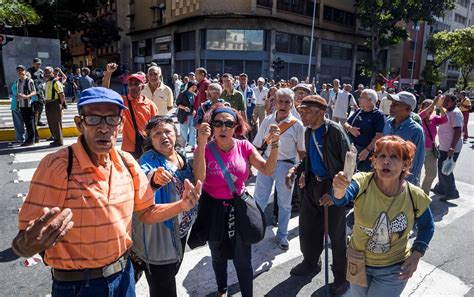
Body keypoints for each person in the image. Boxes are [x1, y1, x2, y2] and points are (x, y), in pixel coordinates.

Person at [11, 87, 201, 296]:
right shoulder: (57, 166)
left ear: (120, 125)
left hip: (123, 278)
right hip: (78, 286)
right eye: (93, 118)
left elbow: (146, 212)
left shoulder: (127, 163)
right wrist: (29, 244)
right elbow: (25, 242)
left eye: (111, 119)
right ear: (79, 123)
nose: (103, 128)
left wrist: (182, 205)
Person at [191, 104, 280, 297]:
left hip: (238, 207)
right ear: (211, 126)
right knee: (218, 255)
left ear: (236, 127)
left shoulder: (244, 146)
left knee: (242, 259)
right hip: (213, 209)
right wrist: (202, 143)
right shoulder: (204, 148)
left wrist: (275, 145)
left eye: (229, 123)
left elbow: (267, 169)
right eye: (218, 123)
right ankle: (222, 291)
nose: (223, 128)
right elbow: (199, 178)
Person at [331, 135, 435, 296]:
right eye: (382, 156)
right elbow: (342, 198)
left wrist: (416, 255)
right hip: (357, 261)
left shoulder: (415, 196)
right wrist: (339, 188)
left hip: (394, 269)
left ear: (405, 164)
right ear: (374, 161)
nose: (386, 161)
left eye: (394, 156)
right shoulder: (362, 182)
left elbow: (427, 226)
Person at [132, 116, 204, 297]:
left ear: (175, 134)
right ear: (150, 139)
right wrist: (155, 179)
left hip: (179, 232)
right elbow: (144, 176)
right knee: (164, 288)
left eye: (167, 131)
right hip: (159, 237)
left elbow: (197, 178)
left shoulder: (180, 155)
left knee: (170, 273)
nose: (163, 136)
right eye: (157, 134)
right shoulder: (150, 158)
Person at [286, 95, 350, 295]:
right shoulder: (307, 131)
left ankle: (341, 277)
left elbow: (349, 167)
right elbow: (310, 159)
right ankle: (311, 263)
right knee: (307, 228)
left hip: (333, 189)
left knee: (337, 236)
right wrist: (299, 171)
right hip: (313, 187)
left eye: (306, 112)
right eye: (301, 111)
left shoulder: (335, 132)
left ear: (321, 113)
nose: (302, 115)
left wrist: (334, 194)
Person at [253, 88, 305, 250]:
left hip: (286, 165)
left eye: (287, 102)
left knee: (284, 204)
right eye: (280, 101)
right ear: (274, 102)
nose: (283, 105)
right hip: (267, 162)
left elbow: (302, 152)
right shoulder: (267, 121)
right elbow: (257, 146)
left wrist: (299, 171)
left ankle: (282, 235)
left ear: (292, 104)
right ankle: (255, 231)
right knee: (259, 200)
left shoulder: (297, 126)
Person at [102, 63, 159, 159]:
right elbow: (104, 93)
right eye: (130, 84)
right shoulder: (123, 102)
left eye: (136, 84)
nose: (133, 87)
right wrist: (108, 74)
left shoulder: (150, 105)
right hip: (128, 150)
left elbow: (156, 128)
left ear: (142, 87)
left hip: (147, 148)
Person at [383, 91, 425, 186]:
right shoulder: (388, 123)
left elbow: (417, 161)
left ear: (408, 109)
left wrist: (406, 184)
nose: (391, 106)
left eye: (396, 104)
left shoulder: (416, 130)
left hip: (402, 182)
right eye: (392, 103)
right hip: (384, 177)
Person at [344, 89, 386, 172]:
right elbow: (345, 123)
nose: (359, 99)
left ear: (370, 100)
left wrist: (367, 150)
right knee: (347, 174)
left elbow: (379, 136)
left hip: (365, 153)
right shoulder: (359, 111)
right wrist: (350, 128)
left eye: (361, 97)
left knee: (360, 178)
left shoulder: (379, 115)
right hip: (351, 149)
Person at [432, 94, 464, 201]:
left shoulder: (455, 113)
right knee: (441, 167)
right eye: (445, 101)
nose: (446, 103)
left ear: (454, 102)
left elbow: (458, 130)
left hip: (451, 148)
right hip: (444, 146)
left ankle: (452, 192)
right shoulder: (447, 111)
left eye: (448, 101)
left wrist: (452, 147)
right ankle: (441, 188)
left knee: (445, 170)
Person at [419, 96, 448, 195]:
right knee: (415, 174)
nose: (431, 109)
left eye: (432, 108)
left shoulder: (434, 119)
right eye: (427, 107)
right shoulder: (418, 118)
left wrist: (439, 106)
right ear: (422, 107)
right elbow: (421, 115)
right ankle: (413, 194)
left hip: (431, 150)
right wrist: (433, 103)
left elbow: (445, 119)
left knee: (431, 174)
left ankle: (424, 194)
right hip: (418, 150)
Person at [15, 65, 38, 146]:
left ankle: (31, 140)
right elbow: (18, 94)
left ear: (25, 71)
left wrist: (26, 96)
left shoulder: (29, 81)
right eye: (18, 70)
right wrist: (17, 104)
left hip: (28, 104)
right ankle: (31, 139)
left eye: (21, 70)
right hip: (22, 105)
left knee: (30, 123)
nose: (20, 72)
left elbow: (34, 91)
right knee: (26, 123)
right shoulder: (18, 81)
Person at [43, 66, 66, 147]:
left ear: (53, 73)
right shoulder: (47, 82)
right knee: (51, 122)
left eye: (49, 72)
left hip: (55, 103)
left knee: (56, 123)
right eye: (45, 72)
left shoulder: (55, 82)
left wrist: (61, 104)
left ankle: (59, 141)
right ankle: (55, 138)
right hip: (48, 103)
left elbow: (61, 94)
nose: (47, 74)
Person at [176, 80, 197, 148]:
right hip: (184, 115)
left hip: (192, 116)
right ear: (189, 87)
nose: (194, 89)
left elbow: (195, 105)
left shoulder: (194, 95)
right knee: (184, 131)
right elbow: (178, 104)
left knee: (193, 130)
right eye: (192, 87)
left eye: (195, 87)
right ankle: (183, 145)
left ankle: (192, 145)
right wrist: (184, 108)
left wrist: (194, 110)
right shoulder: (183, 94)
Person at [27, 58, 46, 127]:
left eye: (39, 64)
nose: (38, 65)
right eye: (37, 64)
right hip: (33, 92)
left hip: (40, 92)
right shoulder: (29, 71)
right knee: (33, 108)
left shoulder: (41, 71)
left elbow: (44, 80)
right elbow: (27, 79)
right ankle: (33, 122)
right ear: (33, 63)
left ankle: (38, 120)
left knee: (41, 107)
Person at [11, 77, 25, 143]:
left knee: (18, 123)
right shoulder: (18, 83)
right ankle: (24, 137)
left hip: (20, 105)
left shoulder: (16, 83)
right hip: (21, 105)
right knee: (26, 123)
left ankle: (20, 138)